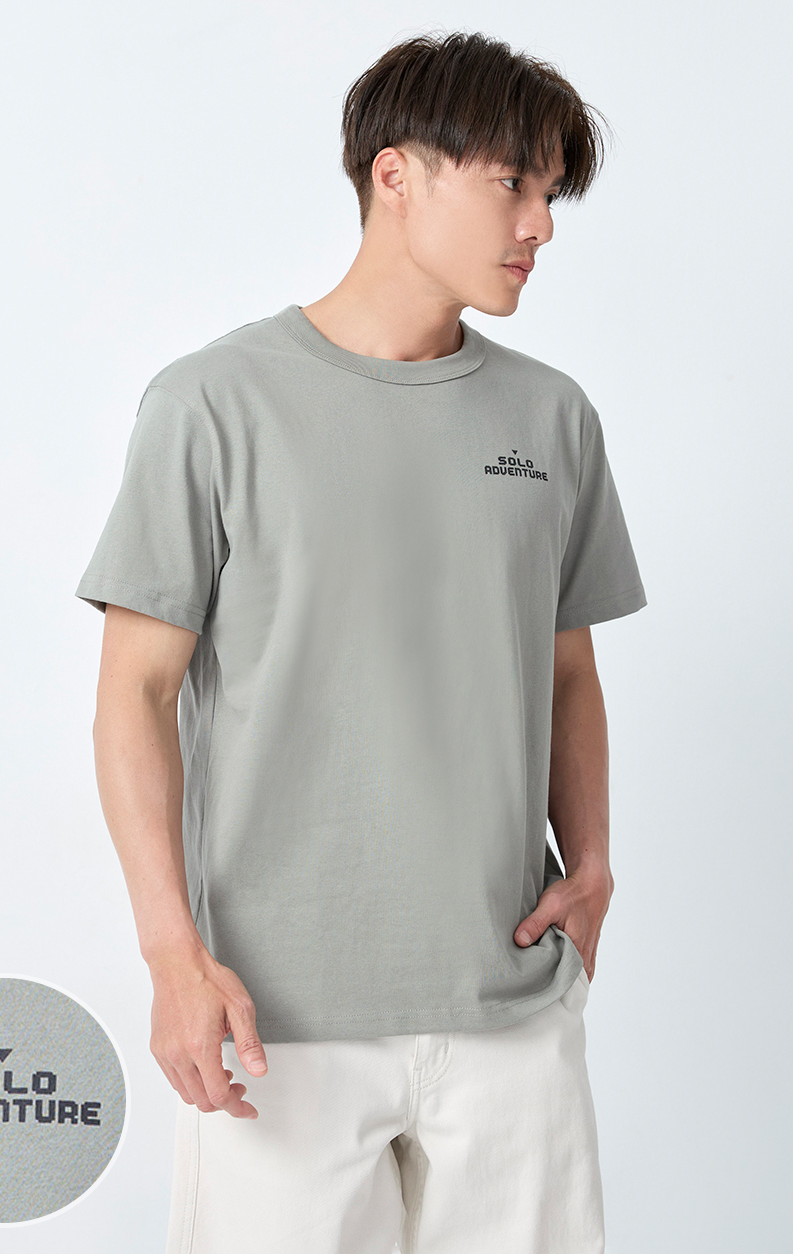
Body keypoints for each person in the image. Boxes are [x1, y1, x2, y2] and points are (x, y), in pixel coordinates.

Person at [76, 29, 646, 1254]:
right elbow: (136, 692)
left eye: (552, 194)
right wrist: (171, 955)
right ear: (397, 174)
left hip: (511, 1005)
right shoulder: (213, 403)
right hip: (272, 1018)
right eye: (514, 182)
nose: (539, 226)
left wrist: (593, 860)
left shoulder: (552, 417)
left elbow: (567, 669)